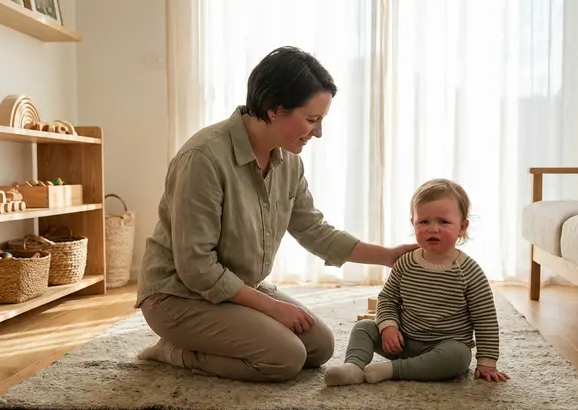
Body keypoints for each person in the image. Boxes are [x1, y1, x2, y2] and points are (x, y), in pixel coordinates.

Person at [135, 46, 417, 383]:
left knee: (319, 348)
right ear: (274, 109)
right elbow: (196, 268)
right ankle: (174, 351)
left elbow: (314, 229)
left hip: (238, 288)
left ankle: (214, 338)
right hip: (178, 295)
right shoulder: (203, 158)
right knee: (285, 358)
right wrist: (273, 307)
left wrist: (387, 257)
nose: (318, 132)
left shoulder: (288, 162)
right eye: (312, 120)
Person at [324, 178, 511, 386]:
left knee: (459, 356)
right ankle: (354, 367)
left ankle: (393, 370)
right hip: (402, 341)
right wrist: (388, 327)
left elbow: (485, 319)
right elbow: (388, 298)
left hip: (443, 346)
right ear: (413, 223)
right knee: (364, 327)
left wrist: (487, 362)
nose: (432, 229)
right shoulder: (406, 262)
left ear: (462, 227)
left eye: (443, 222)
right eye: (424, 222)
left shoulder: (469, 271)